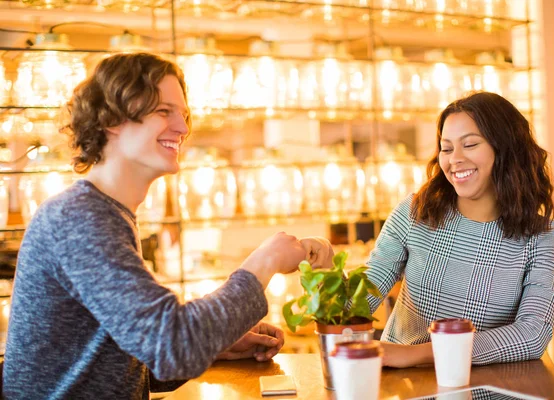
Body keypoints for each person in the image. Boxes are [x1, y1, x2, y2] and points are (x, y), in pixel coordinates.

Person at [2, 52, 334, 399]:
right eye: (164, 112)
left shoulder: (107, 214)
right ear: (112, 118)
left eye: (184, 115)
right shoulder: (79, 218)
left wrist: (215, 346)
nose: (183, 128)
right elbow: (171, 347)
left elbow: (120, 361)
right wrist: (264, 262)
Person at [365, 91, 554, 368]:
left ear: (505, 149)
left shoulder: (541, 236)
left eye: (469, 144)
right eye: (446, 148)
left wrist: (417, 354)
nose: (454, 159)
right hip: (402, 385)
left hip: (485, 387)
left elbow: (533, 334)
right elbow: (362, 297)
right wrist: (321, 266)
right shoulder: (416, 212)